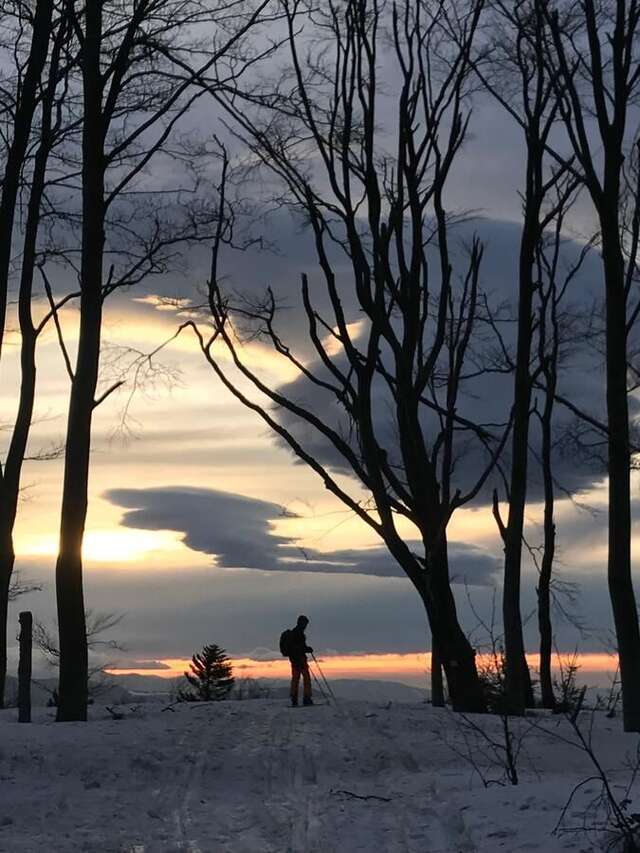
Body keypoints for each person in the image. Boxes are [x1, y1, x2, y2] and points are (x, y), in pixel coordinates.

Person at [288, 614, 313, 707]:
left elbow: (297, 647)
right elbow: (300, 648)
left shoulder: (294, 633)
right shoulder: (299, 633)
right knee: (306, 678)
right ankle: (307, 698)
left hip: (294, 660)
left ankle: (294, 699)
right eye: (305, 624)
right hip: (300, 659)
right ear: (302, 623)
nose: (306, 626)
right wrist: (307, 649)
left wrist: (306, 649)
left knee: (295, 679)